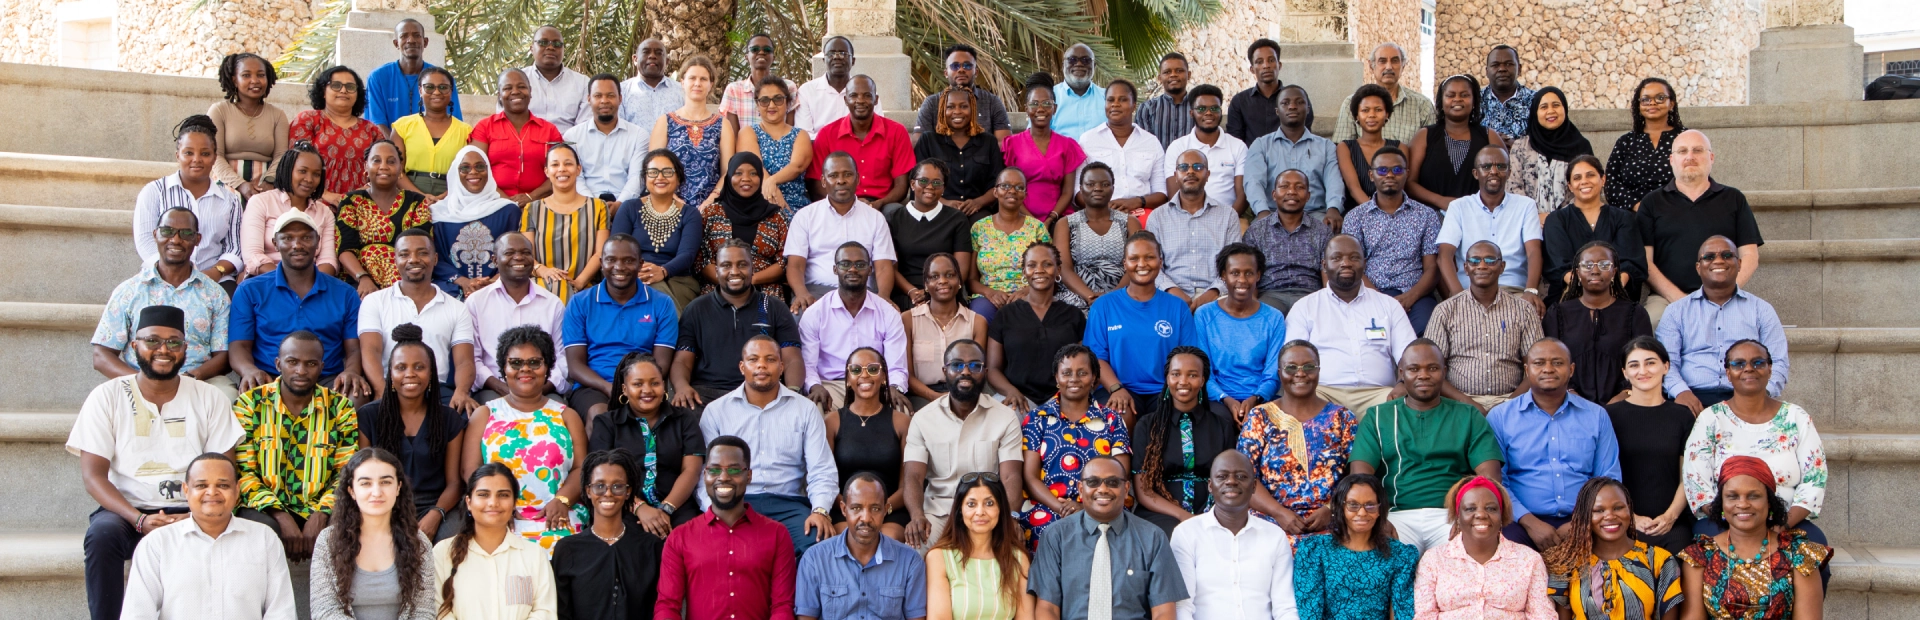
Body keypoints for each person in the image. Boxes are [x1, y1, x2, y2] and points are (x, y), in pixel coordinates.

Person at [72, 305, 244, 620]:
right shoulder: (106, 396)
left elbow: (223, 473)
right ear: (134, 346)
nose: (163, 350)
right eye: (152, 341)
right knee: (101, 537)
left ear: (186, 349)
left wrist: (196, 516)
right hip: (127, 511)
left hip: (195, 509)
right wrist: (138, 520)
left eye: (173, 342)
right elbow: (94, 477)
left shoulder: (209, 397)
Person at [1347, 339, 1505, 553]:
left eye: (1432, 368)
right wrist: (1377, 518)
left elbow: (1490, 478)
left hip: (1452, 515)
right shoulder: (1378, 416)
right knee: (1379, 561)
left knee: (1464, 559)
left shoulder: (1468, 415)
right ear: (1401, 373)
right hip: (1395, 515)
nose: (1423, 375)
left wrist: (1471, 517)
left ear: (1444, 371)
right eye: (1414, 369)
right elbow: (1360, 478)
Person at [699, 337, 841, 555]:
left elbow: (821, 469)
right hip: (736, 503)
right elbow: (705, 473)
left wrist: (820, 511)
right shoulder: (716, 411)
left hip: (790, 505)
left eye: (770, 359)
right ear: (742, 366)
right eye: (753, 359)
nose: (761, 365)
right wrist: (712, 510)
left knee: (817, 547)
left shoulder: (805, 410)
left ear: (782, 367)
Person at [1681, 340, 1828, 544]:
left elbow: (1815, 478)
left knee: (1814, 551)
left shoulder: (1796, 417)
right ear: (1728, 373)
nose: (1748, 368)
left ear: (1769, 369)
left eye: (1758, 362)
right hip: (1725, 520)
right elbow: (1696, 482)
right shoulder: (1711, 419)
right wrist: (1736, 521)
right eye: (1738, 364)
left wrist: (1782, 524)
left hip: (1785, 519)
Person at [120, 453, 298, 620]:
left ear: (237, 491)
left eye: (223, 485)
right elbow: (137, 614)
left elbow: (281, 612)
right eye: (201, 485)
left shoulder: (264, 539)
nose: (212, 492)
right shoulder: (157, 544)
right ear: (186, 490)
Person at [232, 331, 361, 559]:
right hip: (264, 506)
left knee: (344, 525)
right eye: (293, 362)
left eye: (310, 364)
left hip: (321, 503)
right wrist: (280, 515)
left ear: (322, 367)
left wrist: (321, 513)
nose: (301, 371)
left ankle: (336, 595)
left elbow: (346, 472)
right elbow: (244, 473)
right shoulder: (250, 404)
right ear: (278, 364)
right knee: (261, 529)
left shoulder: (340, 408)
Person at [1487, 338, 1623, 550]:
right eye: (1539, 363)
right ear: (1527, 369)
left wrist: (1581, 523)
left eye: (1557, 363)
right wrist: (1530, 522)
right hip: (1520, 521)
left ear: (1571, 369)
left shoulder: (1596, 415)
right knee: (1505, 548)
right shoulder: (1501, 417)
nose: (1548, 369)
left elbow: (1607, 479)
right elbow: (1497, 481)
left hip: (1586, 519)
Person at [465, 326, 587, 553]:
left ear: (547, 367)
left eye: (534, 362)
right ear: (504, 368)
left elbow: (581, 468)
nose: (525, 370)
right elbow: (471, 471)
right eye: (516, 363)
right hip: (500, 518)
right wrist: (499, 507)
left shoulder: (566, 416)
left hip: (558, 517)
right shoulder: (485, 414)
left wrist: (562, 501)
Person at [228, 212, 371, 400]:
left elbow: (354, 348)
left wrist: (351, 371)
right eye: (287, 238)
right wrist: (249, 370)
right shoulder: (250, 290)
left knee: (356, 395)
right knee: (252, 397)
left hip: (327, 379)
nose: (297, 245)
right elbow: (238, 347)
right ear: (275, 243)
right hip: (269, 377)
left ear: (318, 241)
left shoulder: (345, 293)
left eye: (306, 237)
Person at [656, 436, 798, 620]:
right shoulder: (680, 537)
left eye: (734, 469)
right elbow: (667, 606)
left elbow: (782, 606)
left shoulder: (777, 534)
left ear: (749, 476)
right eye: (714, 470)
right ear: (705, 475)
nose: (723, 477)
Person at [94, 209, 235, 395]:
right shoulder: (129, 291)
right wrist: (141, 382)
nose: (175, 240)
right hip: (138, 379)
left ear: (197, 239)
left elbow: (224, 355)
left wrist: (191, 378)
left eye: (186, 233)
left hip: (198, 380)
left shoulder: (215, 294)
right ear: (155, 234)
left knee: (227, 395)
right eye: (167, 231)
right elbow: (101, 355)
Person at [1029, 456, 1188, 620]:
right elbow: (1047, 608)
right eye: (1093, 482)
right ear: (1081, 489)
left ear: (1126, 489)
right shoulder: (1055, 536)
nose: (1103, 489)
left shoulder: (1153, 537)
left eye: (1112, 482)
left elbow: (1164, 612)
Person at [902, 340, 1026, 547]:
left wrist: (1011, 517)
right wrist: (916, 516)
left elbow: (1010, 475)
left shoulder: (1005, 417)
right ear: (945, 370)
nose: (965, 372)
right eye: (957, 365)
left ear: (985, 372)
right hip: (939, 513)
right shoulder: (923, 419)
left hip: (987, 512)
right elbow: (913, 476)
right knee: (914, 551)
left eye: (974, 365)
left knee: (1014, 554)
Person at [1677, 457, 1829, 620]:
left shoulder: (1799, 555)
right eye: (1732, 496)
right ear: (1721, 503)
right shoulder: (1700, 556)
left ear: (1769, 502)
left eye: (1753, 496)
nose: (1742, 504)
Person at [1638, 130, 1764, 324]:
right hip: (1666, 299)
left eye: (1697, 150)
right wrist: (1680, 300)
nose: (1690, 157)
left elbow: (1750, 256)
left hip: (1726, 295)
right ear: (1672, 159)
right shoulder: (1652, 202)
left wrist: (1725, 293)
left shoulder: (1733, 199)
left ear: (1711, 157)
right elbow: (1646, 262)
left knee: (1751, 324)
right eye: (1682, 151)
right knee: (1652, 321)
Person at [1282, 235, 1416, 415]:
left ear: (1364, 263)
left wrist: (1402, 384)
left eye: (1354, 257)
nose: (1346, 263)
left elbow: (1409, 355)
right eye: (1337, 258)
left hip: (1379, 395)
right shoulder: (1305, 307)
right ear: (1324, 265)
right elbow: (1291, 360)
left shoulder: (1389, 305)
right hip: (1322, 393)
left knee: (1406, 405)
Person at [355, 325, 468, 539]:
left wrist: (436, 514)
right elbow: (363, 477)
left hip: (436, 505)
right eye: (401, 367)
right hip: (383, 502)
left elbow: (454, 483)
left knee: (450, 540)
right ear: (391, 373)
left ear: (432, 373)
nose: (410, 374)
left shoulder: (448, 419)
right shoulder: (369, 416)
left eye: (419, 367)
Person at [1017, 344, 1133, 548]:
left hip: (1103, 503)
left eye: (1082, 373)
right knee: (1044, 530)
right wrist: (1062, 509)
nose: (1074, 379)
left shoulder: (1112, 420)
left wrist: (1085, 507)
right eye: (1066, 373)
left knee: (1109, 532)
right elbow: (1030, 478)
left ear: (1095, 379)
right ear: (1056, 378)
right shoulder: (1037, 419)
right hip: (1049, 506)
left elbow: (1119, 475)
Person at [1655, 236, 1787, 412]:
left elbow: (1778, 362)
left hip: (1747, 396)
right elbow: (1666, 363)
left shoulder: (1761, 310)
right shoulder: (1676, 311)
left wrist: (1761, 395)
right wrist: (1680, 392)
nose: (1718, 260)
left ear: (1739, 264)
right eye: (1709, 257)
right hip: (1692, 399)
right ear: (1698, 267)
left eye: (1726, 255)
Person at [1237, 341, 1357, 532]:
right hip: (1270, 522)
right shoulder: (1260, 416)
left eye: (1309, 367)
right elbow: (1244, 477)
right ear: (1279, 373)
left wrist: (1332, 509)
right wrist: (1279, 513)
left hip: (1332, 524)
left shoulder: (1343, 418)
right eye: (1291, 367)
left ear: (1318, 371)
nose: (1300, 373)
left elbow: (1356, 476)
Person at [309, 448, 439, 620]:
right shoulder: (329, 541)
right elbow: (324, 610)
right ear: (351, 491)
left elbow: (424, 612)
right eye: (365, 483)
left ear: (398, 487)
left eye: (385, 482)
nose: (376, 492)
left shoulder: (418, 542)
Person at [1084, 232, 1200, 423]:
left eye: (1149, 257)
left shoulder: (1177, 307)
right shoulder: (1104, 306)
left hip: (1166, 390)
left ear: (1160, 262)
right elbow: (1096, 358)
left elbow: (1190, 356)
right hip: (1117, 387)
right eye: (1134, 258)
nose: (1142, 264)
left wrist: (1175, 390)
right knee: (1120, 415)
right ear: (1124, 264)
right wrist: (1116, 388)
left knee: (1173, 417)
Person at [674, 240, 805, 407]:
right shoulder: (696, 309)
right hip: (707, 394)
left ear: (752, 269)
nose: (734, 272)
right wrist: (682, 386)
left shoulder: (774, 307)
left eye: (742, 265)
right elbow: (682, 361)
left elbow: (792, 357)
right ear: (716, 271)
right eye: (726, 265)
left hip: (763, 392)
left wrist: (793, 392)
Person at [561, 234, 679, 419]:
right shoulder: (580, 303)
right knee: (600, 416)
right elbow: (575, 366)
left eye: (628, 261)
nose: (619, 267)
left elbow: (661, 363)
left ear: (640, 264)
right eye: (611, 260)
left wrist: (636, 388)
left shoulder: (662, 303)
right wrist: (610, 388)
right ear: (601, 263)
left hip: (644, 385)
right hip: (594, 386)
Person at [1169, 450, 1297, 620]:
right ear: (1210, 485)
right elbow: (1182, 606)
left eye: (1241, 476)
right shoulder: (1186, 534)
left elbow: (1285, 608)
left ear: (1253, 486)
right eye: (1222, 476)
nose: (1231, 481)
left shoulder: (1275, 536)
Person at [358, 232, 479, 409]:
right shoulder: (374, 301)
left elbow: (464, 361)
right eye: (404, 254)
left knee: (465, 415)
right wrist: (381, 391)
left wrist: (461, 392)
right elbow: (371, 351)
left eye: (422, 253)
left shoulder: (457, 307)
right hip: (390, 386)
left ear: (435, 258)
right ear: (395, 260)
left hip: (437, 389)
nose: (413, 259)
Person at [1412, 476, 1557, 620]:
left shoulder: (1529, 560)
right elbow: (1425, 616)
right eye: (1470, 509)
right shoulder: (1434, 560)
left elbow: (1542, 615)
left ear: (1501, 515)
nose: (1481, 514)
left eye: (1491, 508)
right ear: (1458, 517)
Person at [589, 353, 708, 527]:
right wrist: (639, 508)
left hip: (677, 505)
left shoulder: (684, 419)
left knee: (689, 540)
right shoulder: (607, 423)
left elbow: (691, 470)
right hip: (623, 505)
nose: (647, 390)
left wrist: (666, 508)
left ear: (664, 385)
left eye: (655, 383)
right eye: (638, 384)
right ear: (625, 389)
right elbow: (602, 475)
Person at [1541, 477, 1685, 620]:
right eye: (1599, 510)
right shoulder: (1567, 564)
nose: (1610, 516)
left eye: (1618, 508)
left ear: (1629, 509)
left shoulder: (1660, 560)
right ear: (1585, 516)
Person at [1130, 348, 1239, 535]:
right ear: (1167, 378)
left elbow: (1230, 480)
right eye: (1176, 374)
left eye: (1192, 375)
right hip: (1160, 513)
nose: (1183, 381)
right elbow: (1143, 490)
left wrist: (1210, 514)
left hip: (1213, 511)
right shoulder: (1147, 426)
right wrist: (1183, 516)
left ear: (1203, 380)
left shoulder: (1221, 425)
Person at [1426, 241, 1546, 409]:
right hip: (1459, 403)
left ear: (1502, 267)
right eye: (1475, 261)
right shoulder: (1445, 311)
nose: (1482, 266)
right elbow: (1431, 368)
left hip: (1512, 402)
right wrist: (1467, 404)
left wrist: (1510, 406)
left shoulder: (1523, 309)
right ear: (1466, 268)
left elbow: (1537, 366)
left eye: (1490, 260)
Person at [1604, 336, 1695, 554]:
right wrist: (1630, 517)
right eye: (1634, 365)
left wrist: (1670, 517)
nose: (1642, 370)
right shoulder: (1608, 415)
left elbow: (1689, 475)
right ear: (1625, 372)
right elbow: (1602, 476)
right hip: (1621, 523)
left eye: (1650, 362)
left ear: (1666, 366)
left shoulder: (1682, 416)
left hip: (1673, 523)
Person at [432, 463, 559, 619]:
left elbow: (545, 612)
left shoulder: (533, 555)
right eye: (483, 494)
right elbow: (438, 611)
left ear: (514, 503)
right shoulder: (443, 552)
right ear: (469, 502)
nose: (493, 502)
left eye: (503, 495)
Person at [133, 115, 245, 292]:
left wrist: (215, 272)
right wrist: (174, 273)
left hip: (214, 280)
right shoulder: (154, 192)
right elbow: (145, 241)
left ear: (215, 157)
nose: (197, 159)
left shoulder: (230, 199)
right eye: (188, 153)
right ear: (178, 155)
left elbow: (235, 248)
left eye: (205, 153)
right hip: (163, 277)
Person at [552, 449, 666, 620]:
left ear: (629, 492)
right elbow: (562, 612)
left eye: (617, 486)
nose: (608, 493)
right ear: (588, 491)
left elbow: (658, 607)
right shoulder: (568, 549)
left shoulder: (651, 547)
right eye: (599, 486)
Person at [797, 474, 931, 620]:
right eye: (856, 508)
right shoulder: (815, 559)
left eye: (875, 508)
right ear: (843, 509)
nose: (866, 518)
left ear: (885, 510)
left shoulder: (910, 561)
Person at [799, 242, 912, 412]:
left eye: (860, 264)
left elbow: (896, 367)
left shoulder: (888, 313)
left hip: (875, 383)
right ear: (835, 269)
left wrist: (894, 387)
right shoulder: (815, 313)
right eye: (845, 264)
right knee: (814, 408)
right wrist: (815, 386)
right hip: (832, 385)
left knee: (900, 410)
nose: (853, 269)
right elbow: (808, 365)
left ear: (870, 270)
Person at [1340, 147, 1441, 335]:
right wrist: (1380, 300)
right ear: (1371, 175)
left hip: (1415, 295)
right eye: (1382, 170)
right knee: (1373, 337)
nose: (1389, 175)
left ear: (1406, 173)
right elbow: (1353, 266)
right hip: (1371, 293)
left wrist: (1410, 297)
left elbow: (1432, 268)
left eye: (1397, 170)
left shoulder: (1427, 215)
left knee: (1425, 332)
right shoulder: (1355, 217)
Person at [1291, 474, 1418, 620]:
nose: (1362, 512)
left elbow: (1400, 611)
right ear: (1340, 507)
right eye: (1353, 505)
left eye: (1370, 505)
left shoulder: (1399, 555)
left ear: (1380, 510)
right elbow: (1310, 613)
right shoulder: (1315, 551)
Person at [788, 151, 903, 311]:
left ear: (857, 178)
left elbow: (883, 266)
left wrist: (883, 296)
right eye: (833, 175)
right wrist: (801, 293)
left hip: (863, 293)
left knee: (887, 318)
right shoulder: (805, 216)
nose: (841, 181)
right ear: (823, 181)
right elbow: (795, 266)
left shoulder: (875, 218)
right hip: (815, 292)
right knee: (799, 316)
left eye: (847, 174)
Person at [1435, 149, 1544, 310]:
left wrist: (1531, 291)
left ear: (1509, 172)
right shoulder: (1458, 207)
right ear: (1475, 173)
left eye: (1500, 166)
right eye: (1486, 166)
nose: (1494, 171)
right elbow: (1444, 256)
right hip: (1469, 290)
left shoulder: (1526, 205)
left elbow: (1534, 252)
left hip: (1514, 290)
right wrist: (1458, 296)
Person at [1543, 241, 1652, 401]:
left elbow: (1645, 362)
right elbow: (1550, 363)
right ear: (1578, 272)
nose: (1595, 270)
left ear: (1614, 272)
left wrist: (1625, 395)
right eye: (1587, 265)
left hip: (1626, 402)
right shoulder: (1557, 313)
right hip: (1568, 402)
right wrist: (1571, 395)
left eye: (1604, 265)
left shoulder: (1635, 313)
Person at [466, 232, 570, 401]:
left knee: (558, 421)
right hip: (494, 389)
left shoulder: (553, 304)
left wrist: (538, 391)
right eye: (509, 253)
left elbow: (562, 359)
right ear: (494, 260)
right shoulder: (476, 302)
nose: (519, 258)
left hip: (542, 390)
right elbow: (473, 358)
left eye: (526, 253)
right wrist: (505, 390)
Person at [986, 243, 1087, 412]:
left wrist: (1067, 396)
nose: (1039, 270)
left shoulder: (1073, 315)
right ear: (1024, 272)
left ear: (1058, 270)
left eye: (1047, 264)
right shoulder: (1006, 314)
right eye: (1032, 265)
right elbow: (993, 369)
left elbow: (1084, 365)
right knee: (999, 420)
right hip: (1017, 398)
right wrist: (1011, 391)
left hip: (1064, 398)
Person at [827, 347, 913, 540]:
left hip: (890, 510)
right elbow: (825, 479)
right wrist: (852, 509)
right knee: (846, 539)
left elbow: (906, 483)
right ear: (848, 379)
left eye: (873, 369)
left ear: (883, 377)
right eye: (856, 370)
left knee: (887, 539)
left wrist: (880, 509)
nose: (864, 375)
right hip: (843, 510)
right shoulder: (832, 422)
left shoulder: (901, 422)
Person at [925, 472, 1036, 620]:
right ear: (960, 510)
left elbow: (1026, 617)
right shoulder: (939, 557)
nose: (980, 512)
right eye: (971, 504)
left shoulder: (1018, 558)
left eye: (989, 503)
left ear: (1001, 509)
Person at [1195, 244, 1287, 419]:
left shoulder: (1274, 318)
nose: (1242, 280)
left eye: (1249, 273)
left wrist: (1256, 398)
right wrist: (1226, 399)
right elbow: (1203, 371)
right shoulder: (1205, 315)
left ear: (1258, 275)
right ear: (1223, 276)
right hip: (1217, 399)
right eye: (1235, 273)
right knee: (1218, 420)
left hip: (1261, 398)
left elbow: (1273, 372)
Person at [610, 149, 705, 309]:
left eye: (667, 172)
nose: (660, 177)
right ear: (645, 178)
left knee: (654, 297)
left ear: (678, 177)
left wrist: (663, 271)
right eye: (653, 172)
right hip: (633, 275)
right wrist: (640, 270)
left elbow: (687, 255)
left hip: (677, 280)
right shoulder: (629, 208)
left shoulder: (690, 214)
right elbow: (617, 248)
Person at [1542, 156, 1645, 302]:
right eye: (1577, 178)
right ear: (1570, 186)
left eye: (1590, 175)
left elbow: (1630, 263)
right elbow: (1559, 265)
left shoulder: (1623, 218)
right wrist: (1588, 296)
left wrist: (1606, 294)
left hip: (1616, 298)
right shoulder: (1557, 220)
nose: (1584, 181)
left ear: (1603, 180)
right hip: (1570, 299)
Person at [1151, 150, 1243, 309]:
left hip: (1218, 296)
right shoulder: (1157, 217)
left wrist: (1213, 292)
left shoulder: (1228, 215)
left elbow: (1233, 265)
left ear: (1208, 174)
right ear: (1176, 175)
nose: (1191, 171)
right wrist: (1172, 291)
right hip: (1169, 295)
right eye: (1184, 167)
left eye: (1198, 167)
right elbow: (1151, 264)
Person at [520, 142, 612, 301]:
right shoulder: (532, 209)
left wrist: (578, 283)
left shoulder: (598, 207)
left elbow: (600, 253)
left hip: (585, 288)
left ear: (578, 169)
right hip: (542, 287)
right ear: (547, 171)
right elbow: (525, 253)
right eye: (555, 165)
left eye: (568, 163)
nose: (561, 169)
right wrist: (542, 270)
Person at [430, 145, 525, 298]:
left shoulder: (508, 210)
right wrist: (463, 281)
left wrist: (495, 281)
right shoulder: (439, 213)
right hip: (452, 287)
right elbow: (434, 256)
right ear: (455, 173)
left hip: (499, 284)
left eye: (480, 167)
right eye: (465, 168)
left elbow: (517, 252)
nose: (473, 172)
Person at [338, 145, 433, 293]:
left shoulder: (416, 202)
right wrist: (363, 278)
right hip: (359, 283)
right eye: (376, 161)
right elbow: (345, 249)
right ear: (366, 167)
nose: (383, 166)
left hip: (408, 283)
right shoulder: (351, 201)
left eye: (391, 161)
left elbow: (421, 249)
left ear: (400, 168)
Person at [810, 75, 914, 209]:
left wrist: (878, 204)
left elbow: (901, 186)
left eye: (867, 95)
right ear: (845, 100)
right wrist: (848, 205)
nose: (860, 101)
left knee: (895, 211)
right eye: (853, 95)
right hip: (839, 203)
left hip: (882, 203)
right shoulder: (827, 134)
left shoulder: (897, 132)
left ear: (876, 100)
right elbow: (817, 184)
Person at [1244, 86, 1341, 224]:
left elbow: (1334, 181)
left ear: (1308, 108)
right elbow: (1254, 182)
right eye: (1285, 103)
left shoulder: (1326, 146)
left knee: (1336, 239)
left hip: (1316, 215)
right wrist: (1262, 211)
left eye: (1299, 102)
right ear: (1277, 111)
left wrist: (1333, 208)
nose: (1292, 106)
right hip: (1272, 214)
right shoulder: (1261, 145)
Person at [700, 153, 792, 300]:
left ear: (761, 178)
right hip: (717, 287)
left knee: (763, 321)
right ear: (729, 177)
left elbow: (784, 261)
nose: (746, 178)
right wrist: (729, 283)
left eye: (753, 173)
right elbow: (701, 260)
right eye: (738, 173)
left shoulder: (776, 216)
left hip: (765, 289)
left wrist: (751, 280)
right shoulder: (711, 213)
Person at [1407, 74, 1505, 210]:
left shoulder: (1489, 136)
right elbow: (1409, 182)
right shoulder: (1424, 136)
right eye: (1450, 95)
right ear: (1441, 101)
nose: (1457, 99)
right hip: (1430, 217)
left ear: (1474, 101)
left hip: (1478, 216)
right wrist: (1441, 201)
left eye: (1464, 95)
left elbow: (1503, 178)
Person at [291, 66, 386, 204]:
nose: (343, 90)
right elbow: (294, 163)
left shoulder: (371, 129)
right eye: (336, 85)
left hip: (361, 204)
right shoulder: (308, 120)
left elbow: (381, 168)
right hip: (314, 202)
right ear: (323, 91)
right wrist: (326, 195)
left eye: (350, 87)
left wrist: (362, 193)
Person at [888, 160, 976, 309]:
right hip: (906, 292)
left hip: (946, 290)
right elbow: (890, 267)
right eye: (923, 181)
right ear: (912, 184)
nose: (929, 187)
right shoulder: (894, 218)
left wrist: (933, 291)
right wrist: (912, 291)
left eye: (937, 183)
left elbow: (961, 270)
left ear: (944, 188)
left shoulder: (957, 219)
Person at [243, 143, 341, 276]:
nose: (309, 179)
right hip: (267, 279)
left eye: (316, 174)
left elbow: (328, 260)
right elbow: (253, 255)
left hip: (311, 283)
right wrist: (288, 282)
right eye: (302, 171)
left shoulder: (325, 212)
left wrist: (310, 284)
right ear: (288, 170)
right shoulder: (261, 202)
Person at [1078, 79, 1168, 222]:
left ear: (1134, 106)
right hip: (1099, 214)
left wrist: (1137, 201)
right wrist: (1103, 208)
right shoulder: (1088, 140)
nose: (1115, 104)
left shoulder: (1151, 142)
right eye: (1110, 100)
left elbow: (1161, 193)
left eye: (1123, 99)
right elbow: (1078, 192)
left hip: (1142, 213)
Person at [1243, 169, 1333, 312]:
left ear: (1308, 196)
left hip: (1310, 295)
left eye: (1299, 187)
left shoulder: (1322, 232)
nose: (1291, 191)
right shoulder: (1256, 232)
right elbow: (1249, 274)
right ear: (1274, 194)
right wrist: (1252, 309)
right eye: (1284, 186)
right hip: (1270, 295)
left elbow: (1327, 276)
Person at [1052, 163, 1140, 308]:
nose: (1098, 188)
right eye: (1090, 184)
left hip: (1122, 296)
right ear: (1081, 189)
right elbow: (1064, 268)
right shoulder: (1065, 223)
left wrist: (1112, 298)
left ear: (1113, 189)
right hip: (1077, 297)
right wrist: (1090, 297)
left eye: (1105, 184)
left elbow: (1136, 265)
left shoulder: (1130, 222)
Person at [469, 68, 562, 205]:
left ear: (530, 92)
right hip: (492, 202)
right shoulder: (485, 127)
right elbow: (475, 169)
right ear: (499, 95)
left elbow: (559, 172)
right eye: (507, 88)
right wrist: (508, 203)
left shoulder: (549, 130)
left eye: (522, 87)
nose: (515, 91)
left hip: (539, 204)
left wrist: (531, 198)